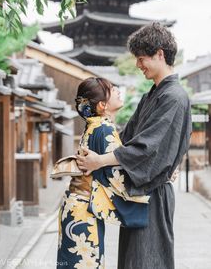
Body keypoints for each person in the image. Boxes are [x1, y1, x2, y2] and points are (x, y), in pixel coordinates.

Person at [77, 22, 192, 269]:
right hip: (140, 192)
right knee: (133, 260)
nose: (138, 65)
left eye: (142, 59)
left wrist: (99, 161)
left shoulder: (174, 97)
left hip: (153, 194)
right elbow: (125, 140)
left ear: (160, 54)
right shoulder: (152, 95)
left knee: (148, 260)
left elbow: (147, 148)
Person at [57, 77, 150, 269]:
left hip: (75, 206)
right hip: (83, 211)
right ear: (102, 105)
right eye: (112, 89)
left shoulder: (94, 124)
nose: (117, 90)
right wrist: (154, 178)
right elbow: (118, 175)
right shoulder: (104, 127)